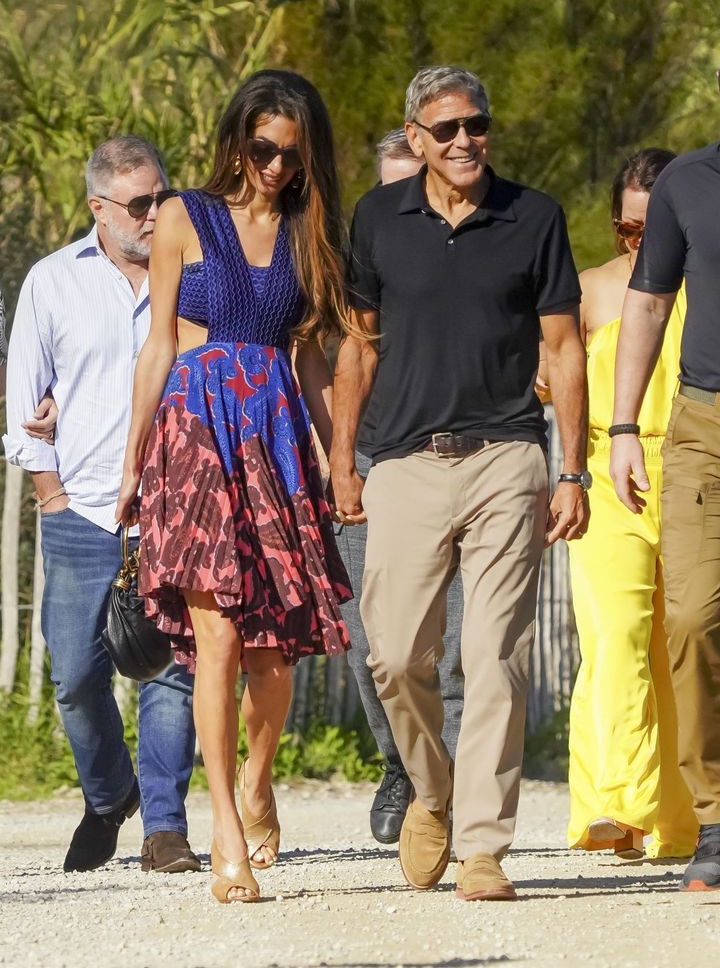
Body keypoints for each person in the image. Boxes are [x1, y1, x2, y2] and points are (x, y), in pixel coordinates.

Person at [331, 66, 589, 901]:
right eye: (445, 130)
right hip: (402, 460)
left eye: (476, 124)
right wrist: (342, 461)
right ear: (416, 139)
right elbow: (358, 348)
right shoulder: (376, 219)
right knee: (394, 653)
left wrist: (573, 468)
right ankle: (432, 793)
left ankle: (483, 846)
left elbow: (564, 349)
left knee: (494, 657)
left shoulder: (534, 217)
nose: (465, 140)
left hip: (508, 455)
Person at [116, 70, 353, 904]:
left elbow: (316, 358)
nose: (276, 168)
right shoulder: (184, 215)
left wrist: (341, 457)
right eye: (262, 149)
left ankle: (257, 776)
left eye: (292, 154)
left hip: (276, 438)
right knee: (214, 636)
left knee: (272, 649)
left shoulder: (309, 233)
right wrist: (131, 461)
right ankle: (223, 825)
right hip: (193, 433)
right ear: (237, 139)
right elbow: (156, 350)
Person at [3, 137, 200, 875]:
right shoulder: (52, 283)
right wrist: (49, 497)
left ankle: (166, 828)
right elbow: (25, 404)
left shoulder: (195, 279)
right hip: (82, 511)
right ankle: (110, 792)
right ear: (98, 207)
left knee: (170, 668)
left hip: (176, 506)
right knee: (76, 675)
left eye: (161, 196)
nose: (154, 214)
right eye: (139, 203)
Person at [566, 149, 697, 861]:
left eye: (656, 227)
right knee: (615, 632)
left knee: (681, 644)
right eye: (627, 229)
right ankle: (615, 799)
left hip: (692, 471)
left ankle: (677, 821)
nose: (641, 244)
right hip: (605, 471)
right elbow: (546, 380)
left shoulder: (703, 293)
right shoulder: (588, 291)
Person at [335, 127, 465, 845]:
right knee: (369, 644)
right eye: (388, 189)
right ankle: (400, 765)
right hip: (377, 466)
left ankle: (449, 792)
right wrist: (340, 461)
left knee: (458, 651)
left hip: (464, 464)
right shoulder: (354, 260)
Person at [611, 138, 720, 891]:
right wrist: (622, 429)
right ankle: (716, 818)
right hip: (704, 426)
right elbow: (648, 301)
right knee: (691, 617)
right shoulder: (689, 180)